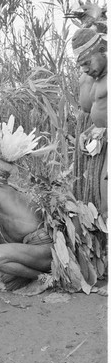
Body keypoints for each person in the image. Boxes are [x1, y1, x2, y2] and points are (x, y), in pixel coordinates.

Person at [0, 156, 53, 296]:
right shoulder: (16, 192)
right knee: (6, 281)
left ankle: (43, 278)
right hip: (43, 252)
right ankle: (40, 275)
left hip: (41, 250)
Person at [71, 27, 107, 220]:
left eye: (87, 62)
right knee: (89, 183)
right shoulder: (94, 74)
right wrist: (89, 130)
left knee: (103, 192)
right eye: (81, 65)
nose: (85, 68)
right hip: (93, 130)